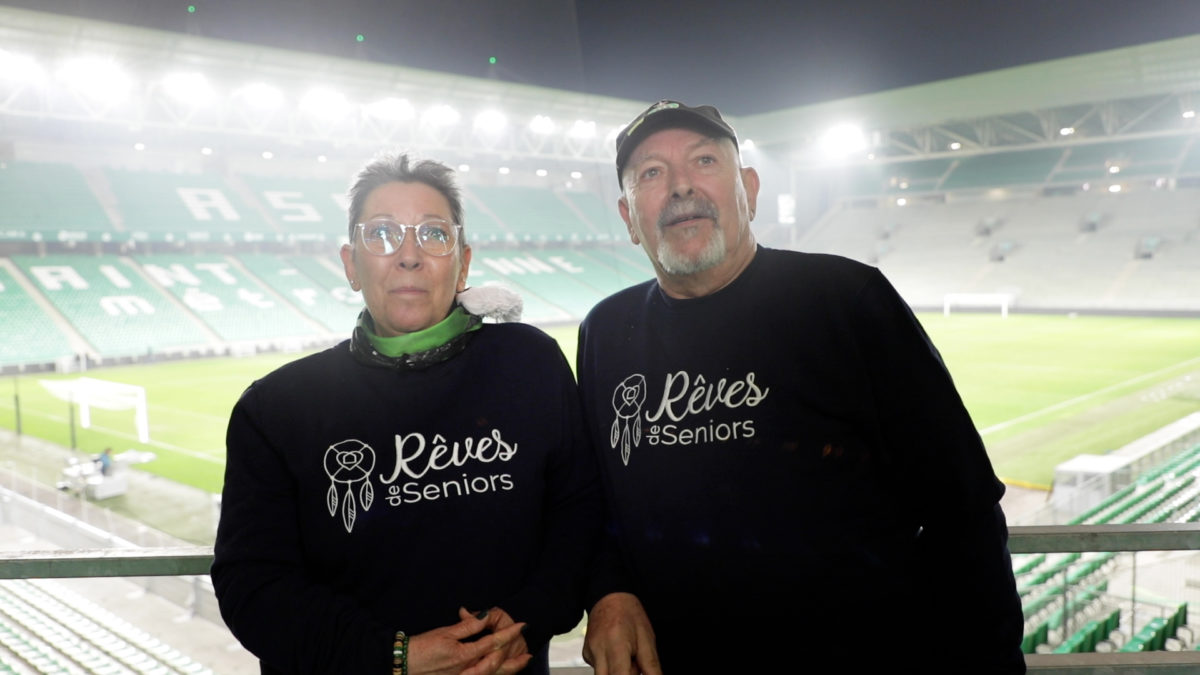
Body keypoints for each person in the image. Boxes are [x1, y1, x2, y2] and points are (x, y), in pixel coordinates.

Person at [576, 101, 1026, 673]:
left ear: (750, 189)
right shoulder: (606, 331)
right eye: (650, 174)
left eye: (704, 160)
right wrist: (608, 590)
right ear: (627, 215)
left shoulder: (847, 300)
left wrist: (993, 661)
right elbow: (593, 499)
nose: (681, 187)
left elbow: (962, 510)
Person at [212, 153, 601, 675]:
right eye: (382, 234)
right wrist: (395, 657)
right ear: (351, 263)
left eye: (434, 235)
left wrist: (523, 622)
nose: (409, 256)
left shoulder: (529, 363)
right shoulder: (275, 408)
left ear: (462, 262)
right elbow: (251, 586)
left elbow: (578, 513)